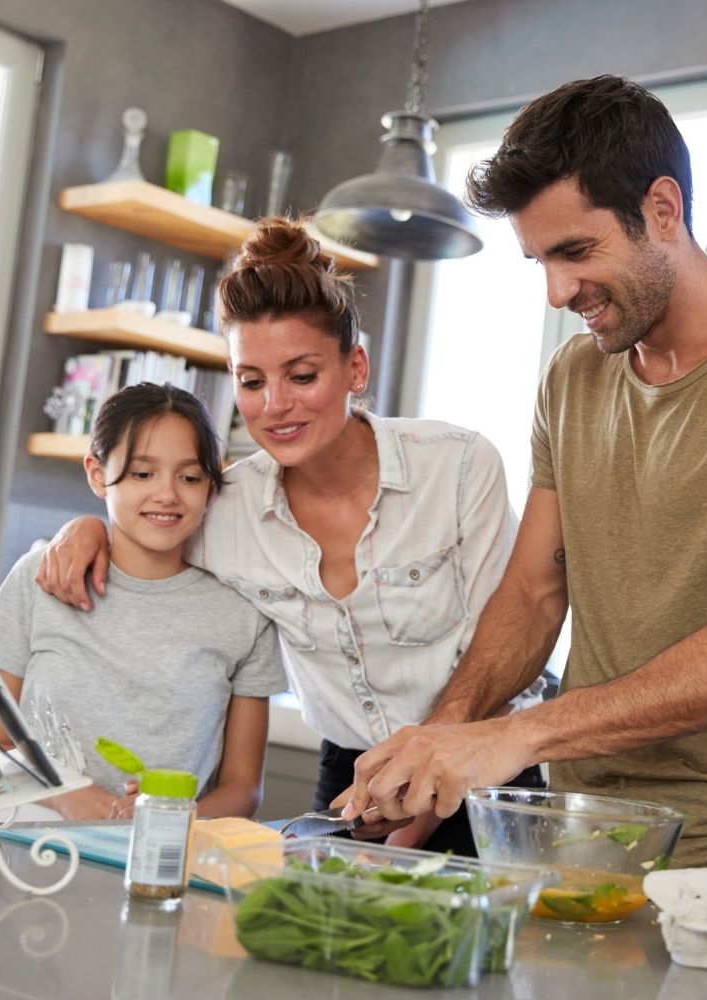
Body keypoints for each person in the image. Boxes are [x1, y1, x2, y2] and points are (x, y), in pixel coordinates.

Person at [343, 75, 707, 888]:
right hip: (580, 840)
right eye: (540, 261)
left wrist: (520, 737)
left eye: (576, 251)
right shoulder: (573, 377)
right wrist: (443, 742)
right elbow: (531, 595)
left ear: (662, 211)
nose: (558, 292)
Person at [35, 218, 544, 852]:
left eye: (301, 376)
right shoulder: (227, 508)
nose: (275, 405)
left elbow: (505, 643)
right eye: (251, 381)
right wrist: (84, 527)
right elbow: (147, 528)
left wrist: (410, 826)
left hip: (485, 776)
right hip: (350, 787)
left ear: (354, 367)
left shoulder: (459, 467)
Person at [0, 383, 282, 820]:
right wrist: (66, 795)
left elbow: (243, 788)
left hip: (163, 865)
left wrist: (173, 817)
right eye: (143, 473)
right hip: (31, 859)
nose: (167, 494)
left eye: (191, 477)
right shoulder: (40, 579)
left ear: (212, 488)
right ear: (97, 474)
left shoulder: (245, 612)